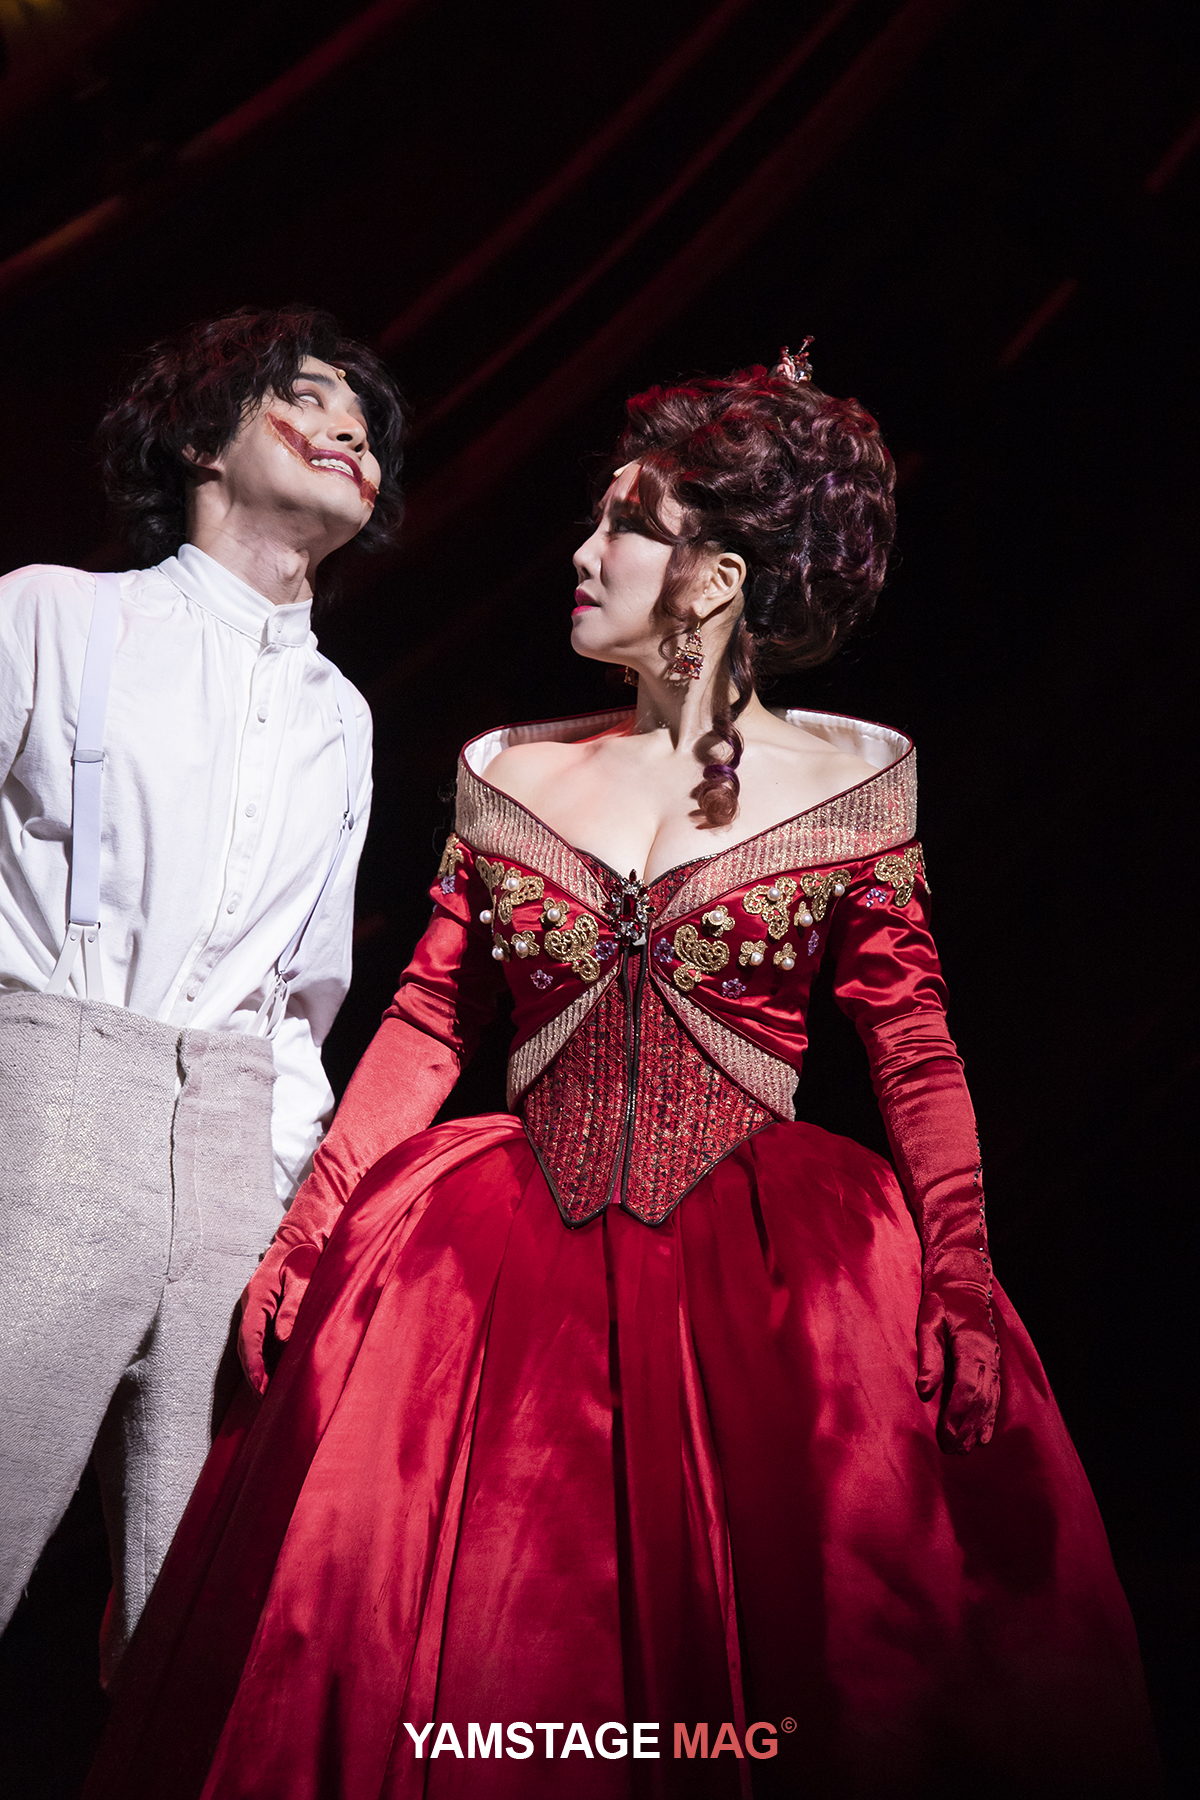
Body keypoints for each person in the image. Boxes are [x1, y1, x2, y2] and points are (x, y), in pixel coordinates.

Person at [84, 349, 1157, 1799]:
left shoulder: (853, 779)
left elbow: (912, 1047)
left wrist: (958, 1272)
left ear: (716, 579)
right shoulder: (512, 768)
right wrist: (309, 1228)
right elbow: (428, 1019)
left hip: (779, 1286)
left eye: (626, 525)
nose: (583, 554)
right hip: (490, 1268)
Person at [0, 306, 405, 1677]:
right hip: (52, 1109)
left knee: (204, 1638)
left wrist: (293, 1205)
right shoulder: (55, 614)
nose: (350, 429)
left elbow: (304, 1000)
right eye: (311, 397)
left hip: (235, 1163)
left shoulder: (342, 716)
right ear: (198, 440)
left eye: (368, 423)